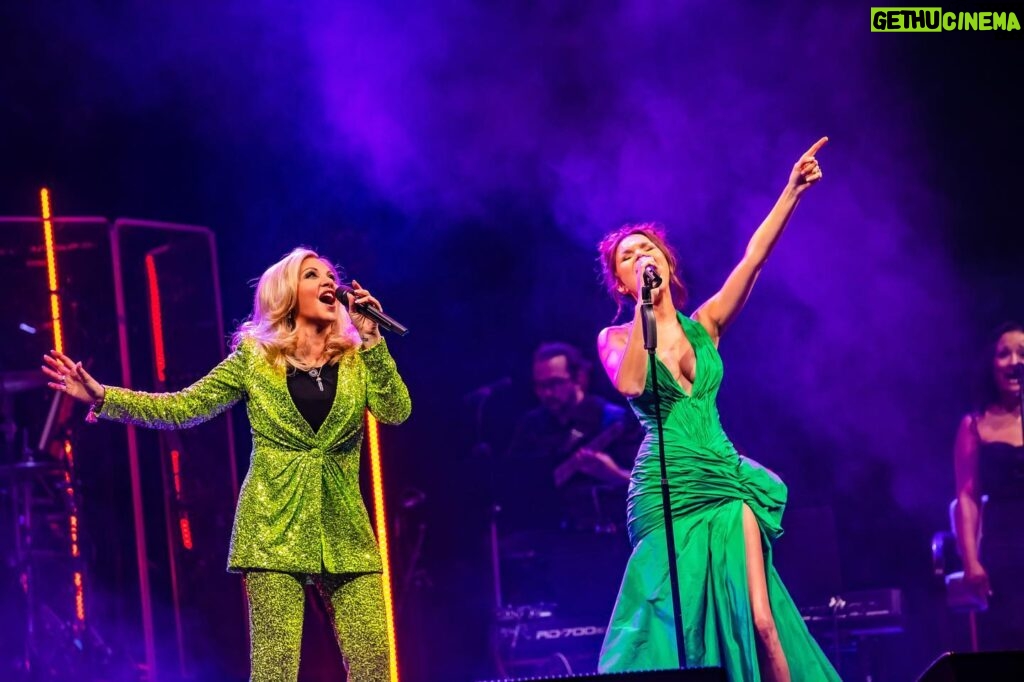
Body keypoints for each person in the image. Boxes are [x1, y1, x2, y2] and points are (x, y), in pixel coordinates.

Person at [41, 247, 411, 682]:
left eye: (332, 275)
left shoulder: (356, 360)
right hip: (273, 529)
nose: (330, 282)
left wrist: (372, 340)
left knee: (374, 669)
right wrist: (105, 397)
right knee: (274, 673)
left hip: (346, 528)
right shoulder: (256, 360)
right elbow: (182, 407)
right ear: (288, 293)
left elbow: (395, 410)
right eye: (313, 275)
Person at [594, 138, 839, 681]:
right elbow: (634, 381)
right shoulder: (616, 336)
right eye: (627, 257)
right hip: (665, 490)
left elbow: (753, 259)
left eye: (647, 249)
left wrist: (792, 191)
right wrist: (644, 310)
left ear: (666, 259)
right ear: (620, 279)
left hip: (724, 480)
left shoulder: (705, 326)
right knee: (678, 629)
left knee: (759, 618)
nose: (641, 258)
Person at [953, 321, 1024, 650]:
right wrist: (970, 560)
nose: (1014, 362)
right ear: (992, 364)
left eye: (1022, 354)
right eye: (1004, 354)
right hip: (1006, 546)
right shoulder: (975, 425)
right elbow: (966, 496)